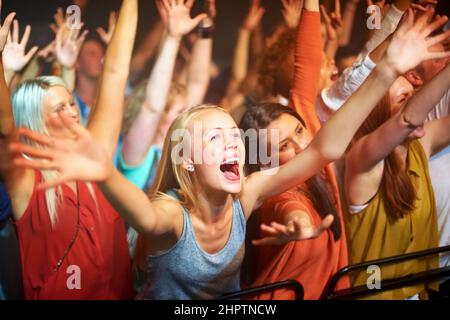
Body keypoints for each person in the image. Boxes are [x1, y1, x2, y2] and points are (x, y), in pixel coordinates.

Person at [10, 3, 448, 300]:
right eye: (214, 138)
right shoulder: (170, 216)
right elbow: (141, 217)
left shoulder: (248, 193)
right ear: (186, 160)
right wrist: (104, 173)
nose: (233, 143)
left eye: (232, 135)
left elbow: (324, 148)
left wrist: (387, 67)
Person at [0, 0, 138, 299]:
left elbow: (115, 72)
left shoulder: (95, 156)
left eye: (72, 103)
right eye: (60, 108)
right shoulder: (27, 181)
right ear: (36, 122)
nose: (73, 113)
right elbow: (3, 126)